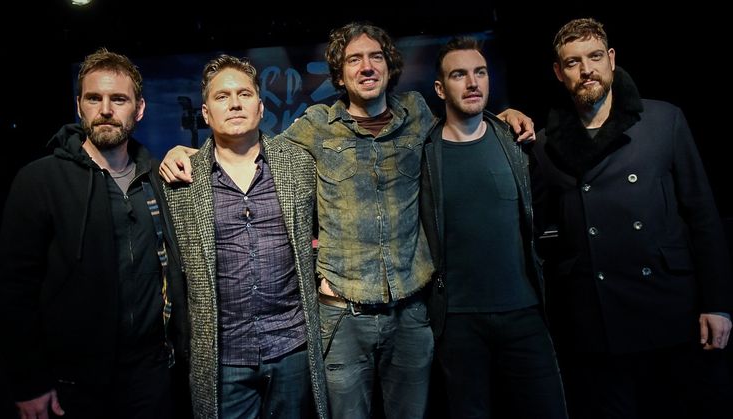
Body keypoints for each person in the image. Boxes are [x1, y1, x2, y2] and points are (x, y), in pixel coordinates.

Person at [159, 22, 535, 419]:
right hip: (342, 318)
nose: (367, 67)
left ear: (390, 68)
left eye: (375, 57)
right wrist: (187, 153)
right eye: (354, 59)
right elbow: (247, 146)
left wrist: (503, 116)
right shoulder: (315, 127)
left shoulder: (418, 113)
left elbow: (465, 116)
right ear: (339, 74)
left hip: (410, 314)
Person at [532, 18, 733, 419]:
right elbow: (540, 232)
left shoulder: (663, 121)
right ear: (558, 72)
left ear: (611, 59)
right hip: (594, 319)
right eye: (572, 62)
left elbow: (703, 216)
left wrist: (718, 304)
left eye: (593, 57)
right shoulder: (543, 145)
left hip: (669, 306)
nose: (585, 69)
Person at [0, 48, 190, 419]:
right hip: (73, 383)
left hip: (152, 374)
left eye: (118, 99)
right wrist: (28, 382)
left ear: (139, 109)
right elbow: (13, 290)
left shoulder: (157, 178)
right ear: (79, 105)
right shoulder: (39, 180)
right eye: (94, 98)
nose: (105, 109)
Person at [164, 54, 328, 419]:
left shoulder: (299, 164)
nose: (235, 103)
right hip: (224, 356)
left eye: (244, 94)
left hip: (293, 348)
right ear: (206, 113)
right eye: (222, 96)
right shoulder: (180, 179)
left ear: (260, 106)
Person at [420, 36, 567, 419]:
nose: (472, 83)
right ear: (440, 88)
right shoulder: (423, 153)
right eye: (459, 74)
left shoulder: (515, 141)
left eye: (479, 73)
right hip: (458, 323)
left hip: (524, 313)